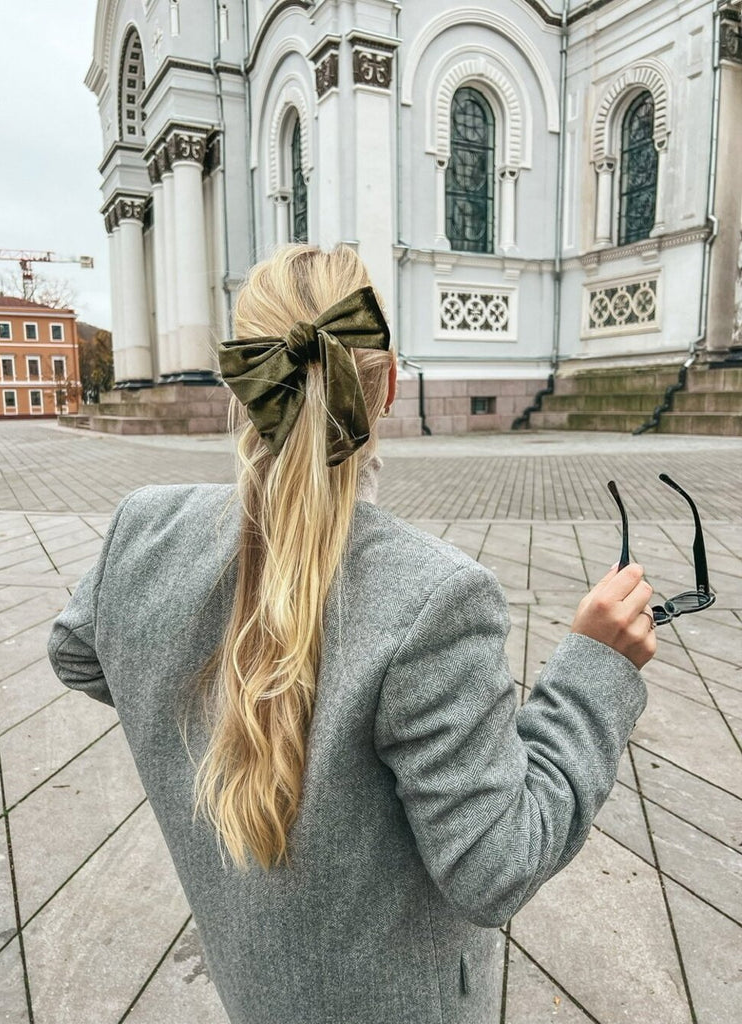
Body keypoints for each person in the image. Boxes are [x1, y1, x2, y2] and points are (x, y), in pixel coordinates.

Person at [47, 243, 656, 1024]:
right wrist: (593, 672)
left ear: (241, 382)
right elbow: (496, 866)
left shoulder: (143, 526)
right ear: (390, 385)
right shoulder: (435, 600)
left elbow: (75, 650)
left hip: (252, 979)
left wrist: (203, 715)